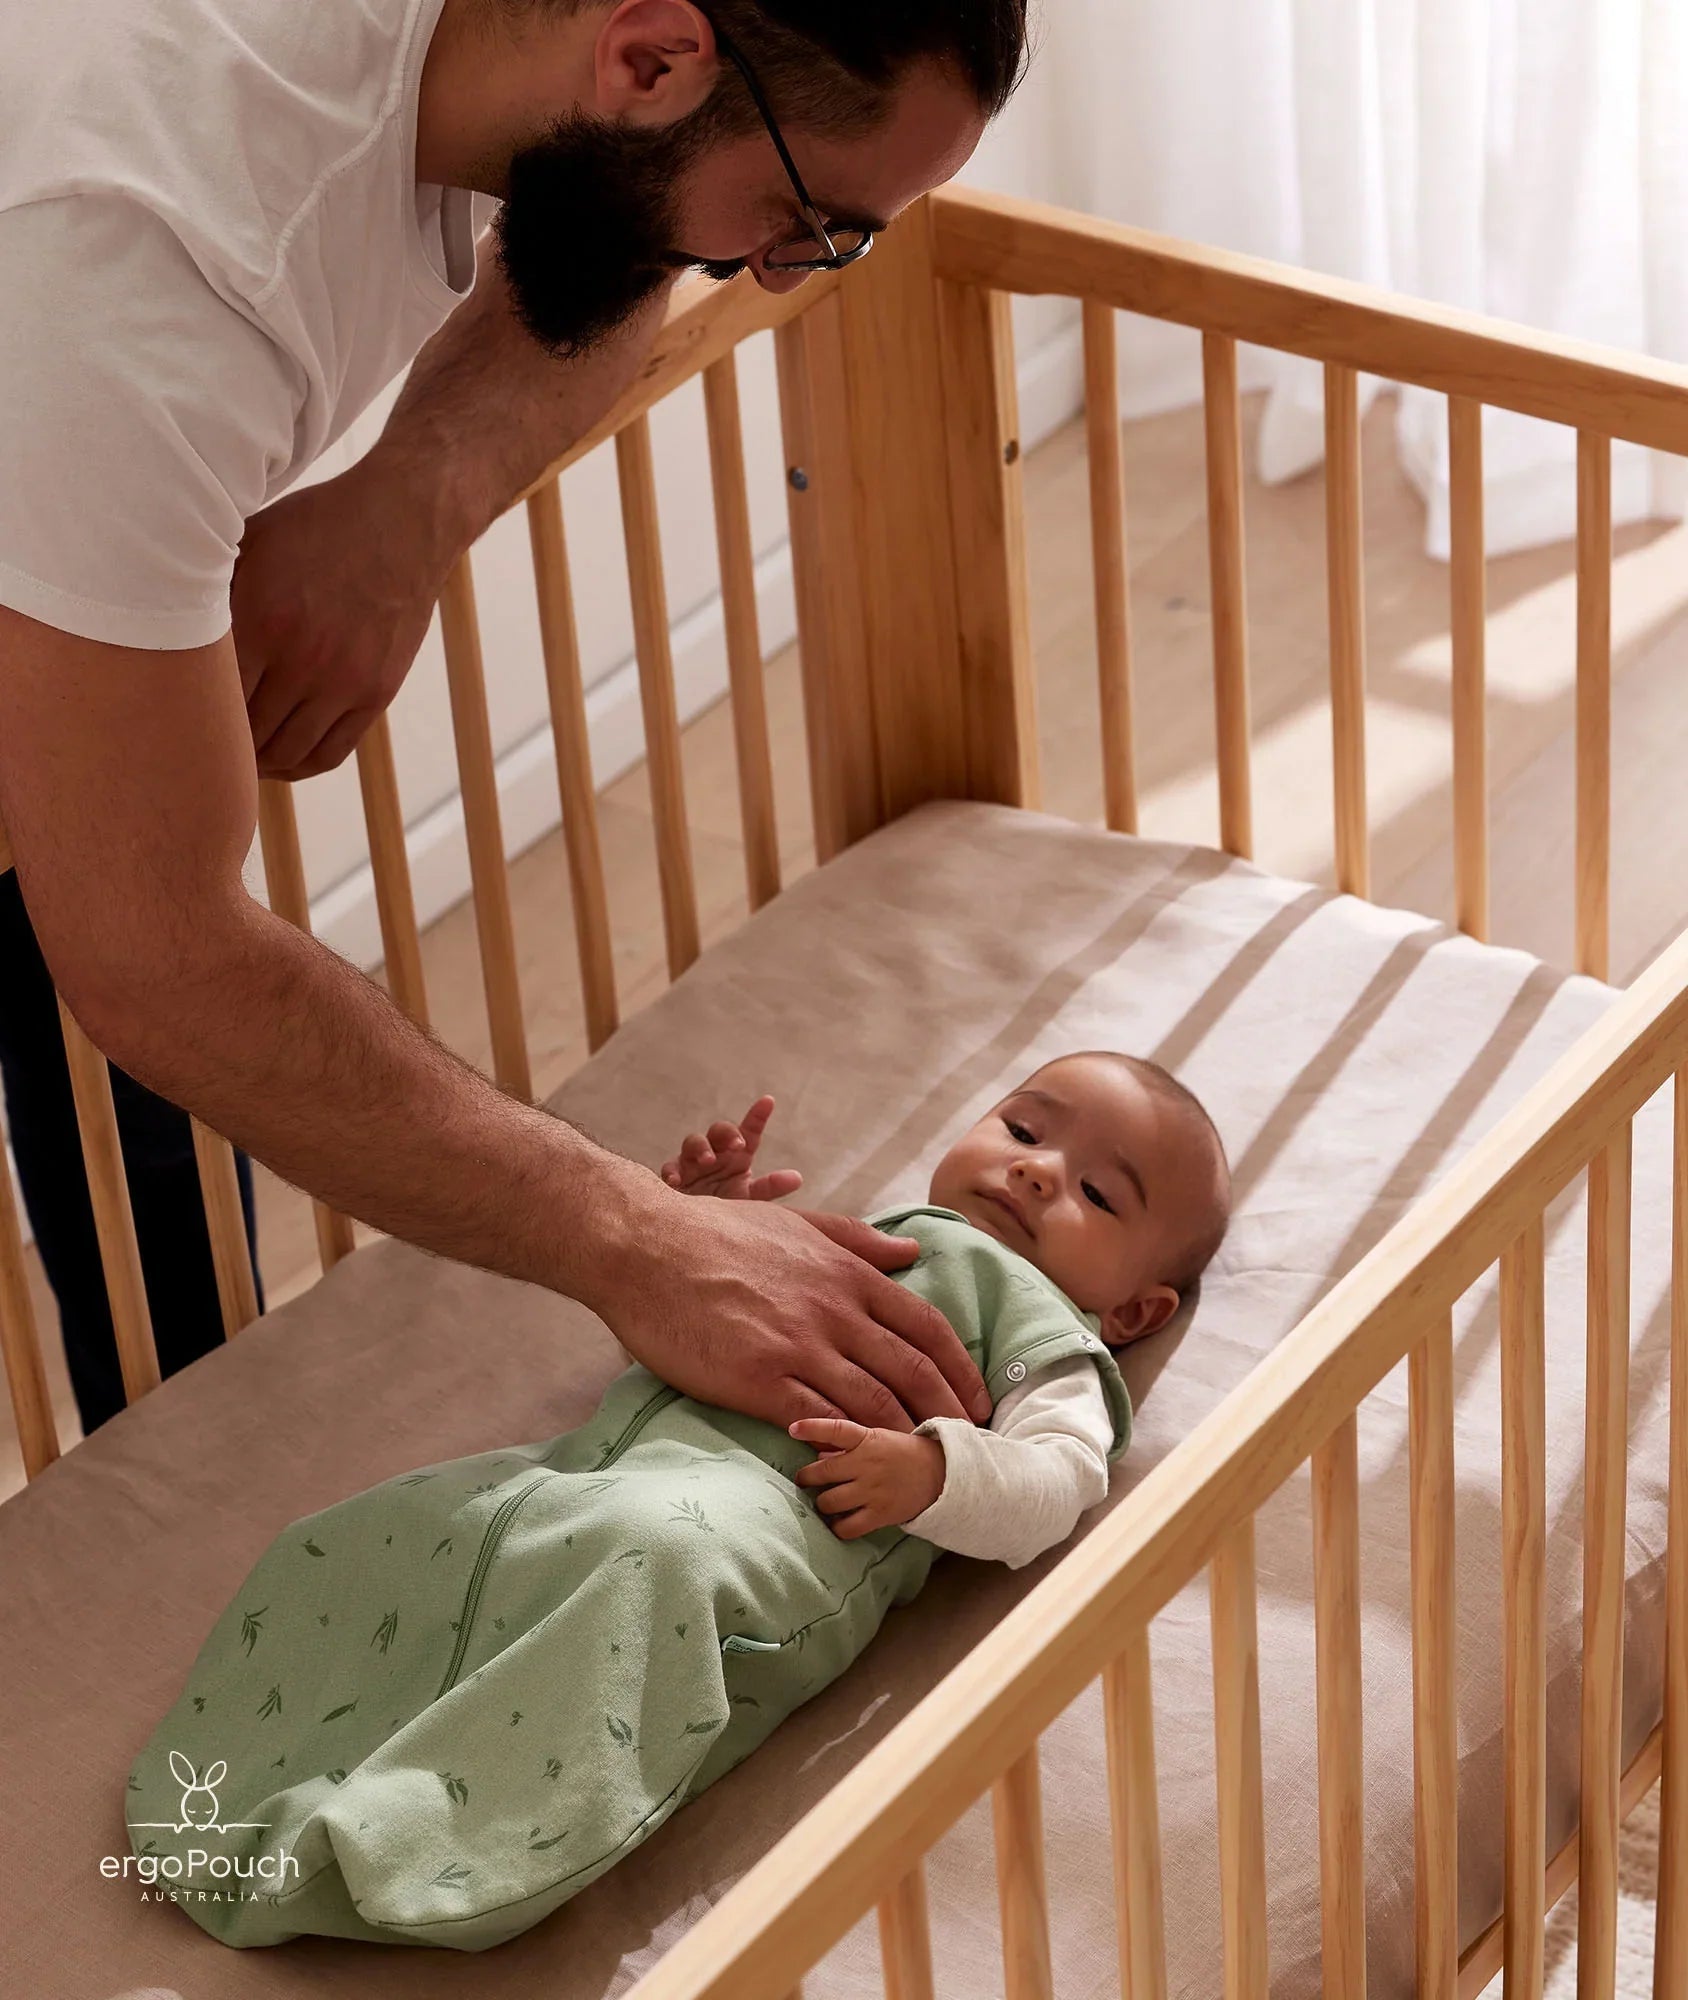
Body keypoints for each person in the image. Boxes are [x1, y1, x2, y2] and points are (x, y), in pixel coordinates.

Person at [0, 0, 1030, 1438]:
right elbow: (155, 953)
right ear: (654, 57)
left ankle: (183, 1451)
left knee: (144, 1168)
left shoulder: (549, 70)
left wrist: (411, 501)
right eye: (802, 219)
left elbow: (616, 239)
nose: (779, 277)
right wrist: (638, 1239)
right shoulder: (143, 258)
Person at [124, 1052, 1232, 1949]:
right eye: (1024, 1129)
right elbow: (688, 1317)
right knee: (407, 1525)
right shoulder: (865, 1236)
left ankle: (423, 1849)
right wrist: (699, 1222)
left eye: (1095, 1191)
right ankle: (254, 1767)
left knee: (638, 1571)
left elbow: (1056, 1478)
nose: (1039, 1172)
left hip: (755, 1533)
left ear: (1134, 1312)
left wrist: (937, 1470)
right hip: (593, 1468)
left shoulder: (1047, 1335)